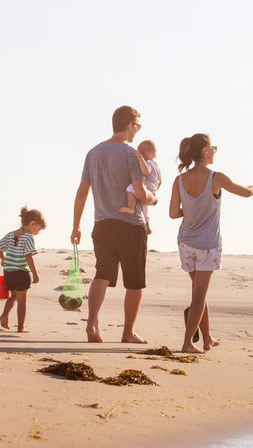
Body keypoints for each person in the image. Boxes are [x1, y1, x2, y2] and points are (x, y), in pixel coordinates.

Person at [169, 133, 253, 353]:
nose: (214, 151)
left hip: (185, 242)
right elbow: (245, 192)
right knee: (199, 296)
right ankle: (188, 343)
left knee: (199, 292)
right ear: (205, 151)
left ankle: (207, 339)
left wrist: (192, 210)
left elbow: (172, 213)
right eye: (212, 147)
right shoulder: (216, 177)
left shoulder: (179, 180)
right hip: (207, 244)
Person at [71, 105, 157, 344]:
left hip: (102, 224)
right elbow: (140, 193)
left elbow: (81, 192)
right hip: (130, 225)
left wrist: (76, 225)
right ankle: (128, 332)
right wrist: (154, 198)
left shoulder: (93, 153)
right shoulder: (131, 154)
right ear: (129, 126)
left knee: (103, 275)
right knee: (134, 281)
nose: (137, 132)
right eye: (137, 127)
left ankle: (92, 324)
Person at [0, 206, 46, 333]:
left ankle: (4, 315)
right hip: (22, 272)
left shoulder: (10, 235)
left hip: (8, 272)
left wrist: (4, 259)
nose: (38, 232)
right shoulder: (28, 237)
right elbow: (28, 256)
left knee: (13, 296)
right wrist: (35, 273)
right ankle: (20, 327)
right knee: (22, 300)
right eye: (38, 229)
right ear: (32, 224)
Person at [119, 139, 162, 235]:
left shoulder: (148, 163)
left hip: (146, 188)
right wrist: (155, 189)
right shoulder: (157, 166)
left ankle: (130, 207)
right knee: (144, 209)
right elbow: (160, 181)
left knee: (130, 188)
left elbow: (145, 171)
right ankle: (148, 227)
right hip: (152, 191)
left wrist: (140, 159)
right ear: (154, 154)